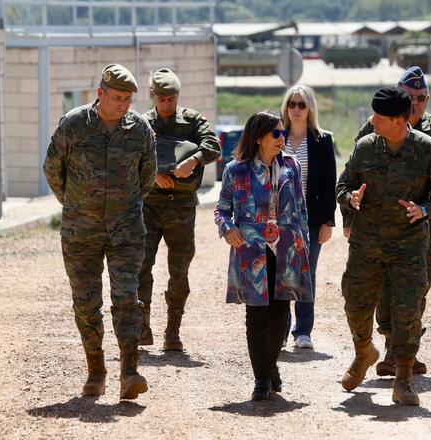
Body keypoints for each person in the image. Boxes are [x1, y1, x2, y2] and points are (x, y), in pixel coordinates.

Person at [345, 66, 431, 376]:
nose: (416, 103)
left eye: (422, 98)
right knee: (378, 289)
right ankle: (390, 346)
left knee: (414, 288)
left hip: (421, 226)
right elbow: (352, 176)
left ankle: (401, 354)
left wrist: (430, 171)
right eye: (410, 97)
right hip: (375, 227)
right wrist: (349, 213)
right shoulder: (372, 130)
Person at [43, 64, 157, 399]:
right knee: (86, 303)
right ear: (100, 93)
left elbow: (146, 178)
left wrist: (124, 207)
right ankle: (96, 370)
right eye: (118, 97)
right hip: (81, 231)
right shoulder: (74, 125)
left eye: (128, 99)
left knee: (127, 299)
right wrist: (76, 205)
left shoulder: (140, 130)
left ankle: (129, 371)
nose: (124, 104)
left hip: (126, 231)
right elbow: (53, 169)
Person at [214, 111, 312, 401]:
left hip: (286, 251)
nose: (282, 138)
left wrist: (302, 241)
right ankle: (262, 378)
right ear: (259, 138)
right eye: (276, 133)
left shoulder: (291, 166)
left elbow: (301, 209)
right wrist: (228, 229)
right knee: (256, 316)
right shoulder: (236, 170)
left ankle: (270, 369)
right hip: (251, 250)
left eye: (283, 132)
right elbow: (222, 209)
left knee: (280, 319)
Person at [137, 68, 221, 351]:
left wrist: (194, 160)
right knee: (141, 266)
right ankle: (142, 326)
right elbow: (128, 159)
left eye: (171, 99)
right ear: (152, 95)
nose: (167, 104)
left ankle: (173, 331)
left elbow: (214, 146)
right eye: (161, 99)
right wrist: (152, 175)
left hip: (182, 209)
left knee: (179, 271)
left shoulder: (193, 120)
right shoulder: (140, 123)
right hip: (149, 207)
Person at [280, 85, 337, 350]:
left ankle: (303, 331)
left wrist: (328, 221)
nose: (296, 109)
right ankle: (280, 327)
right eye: (292, 103)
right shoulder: (276, 136)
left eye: (302, 104)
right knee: (280, 272)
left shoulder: (322, 141)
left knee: (306, 273)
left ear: (310, 108)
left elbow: (329, 184)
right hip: (279, 218)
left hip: (311, 220)